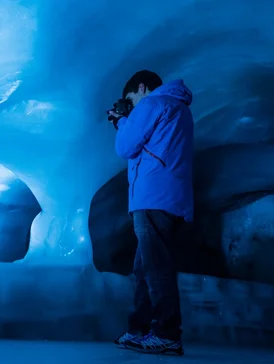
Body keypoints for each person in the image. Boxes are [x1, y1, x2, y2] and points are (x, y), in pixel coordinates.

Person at [107, 70, 194, 356]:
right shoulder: (177, 108)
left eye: (130, 98)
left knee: (156, 269)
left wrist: (121, 121)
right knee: (145, 268)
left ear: (142, 88)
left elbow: (126, 147)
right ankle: (138, 330)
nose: (131, 104)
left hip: (153, 197)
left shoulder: (152, 104)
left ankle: (167, 334)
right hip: (170, 197)